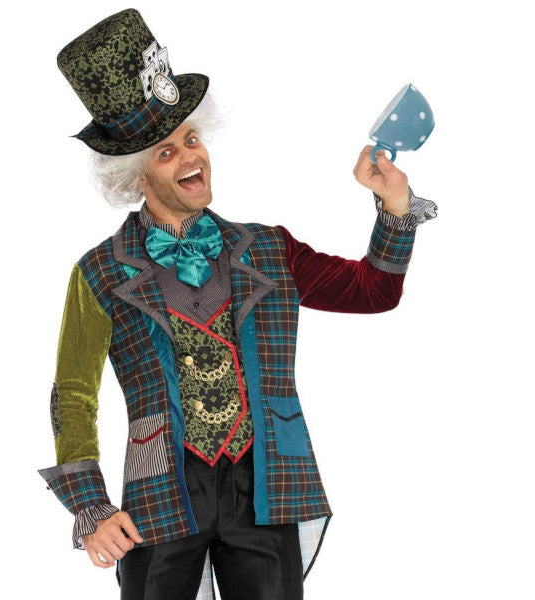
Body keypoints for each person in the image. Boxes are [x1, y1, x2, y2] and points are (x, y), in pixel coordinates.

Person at [37, 8, 437, 600]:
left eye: (191, 139)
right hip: (160, 493)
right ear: (136, 177)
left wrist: (395, 207)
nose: (190, 157)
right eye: (166, 153)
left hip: (267, 484)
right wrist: (90, 506)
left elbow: (374, 291)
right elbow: (73, 393)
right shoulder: (98, 272)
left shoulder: (269, 249)